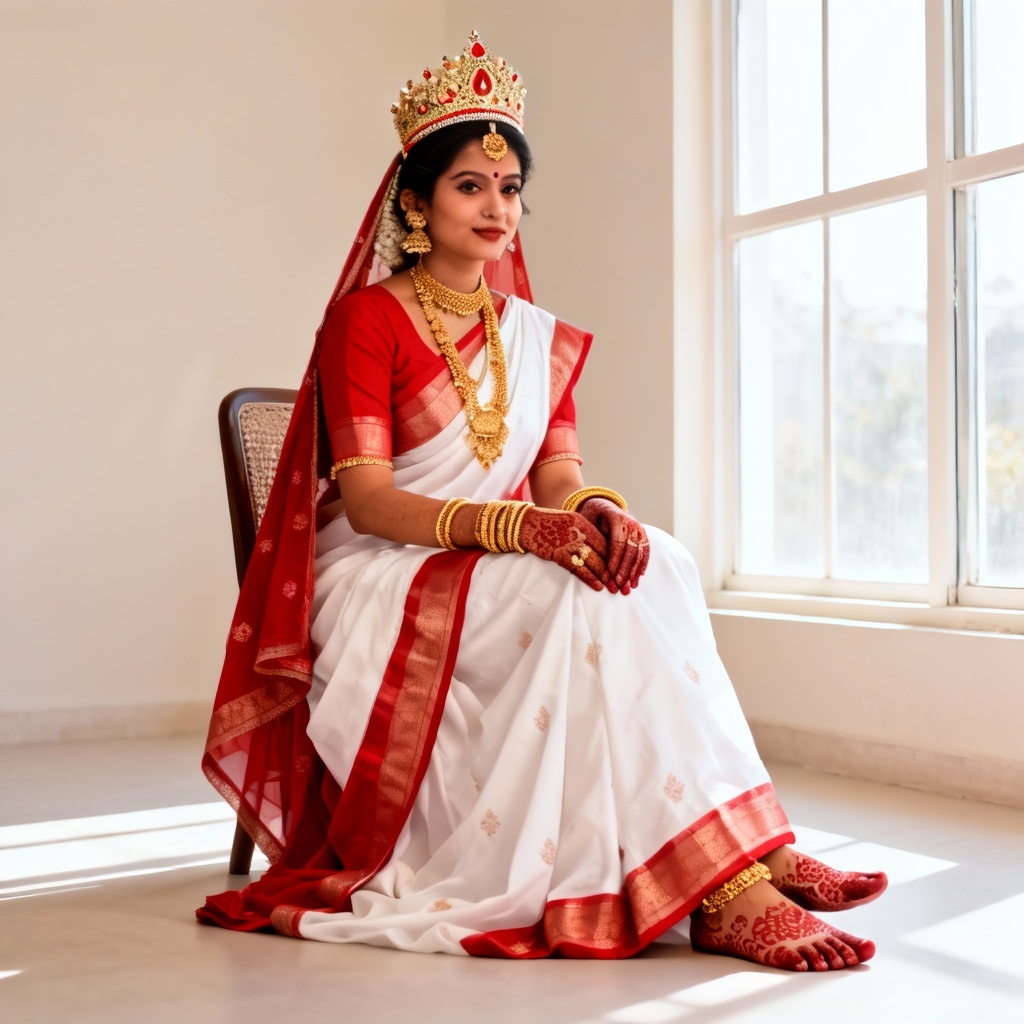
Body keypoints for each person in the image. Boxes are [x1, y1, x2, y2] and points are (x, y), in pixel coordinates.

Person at [198, 32, 886, 971]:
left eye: (510, 187)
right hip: (383, 573)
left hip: (493, 556)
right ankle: (724, 883)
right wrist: (523, 527)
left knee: (660, 560)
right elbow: (365, 503)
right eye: (471, 186)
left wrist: (597, 510)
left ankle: (738, 850)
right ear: (417, 200)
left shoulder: (534, 336)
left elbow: (559, 467)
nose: (497, 207)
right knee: (569, 595)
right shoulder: (367, 321)